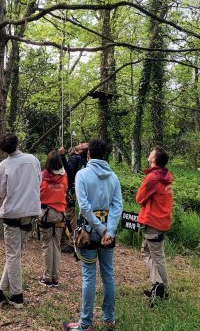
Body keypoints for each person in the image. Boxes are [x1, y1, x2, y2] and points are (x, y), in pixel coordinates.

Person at [63, 139, 123, 331]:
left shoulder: (82, 175)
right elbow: (117, 205)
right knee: (108, 275)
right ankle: (108, 319)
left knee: (89, 277)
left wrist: (101, 229)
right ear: (104, 154)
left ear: (88, 154)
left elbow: (85, 206)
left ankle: (85, 323)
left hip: (89, 232)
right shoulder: (113, 177)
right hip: (107, 232)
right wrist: (109, 230)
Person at [0, 133, 41, 309]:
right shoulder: (32, 160)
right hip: (29, 211)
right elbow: (38, 181)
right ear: (17, 143)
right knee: (16, 254)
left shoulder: (4, 165)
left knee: (13, 254)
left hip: (12, 212)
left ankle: (17, 295)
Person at [135, 145, 173, 304]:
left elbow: (139, 198)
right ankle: (158, 286)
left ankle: (161, 287)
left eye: (151, 153)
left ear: (154, 159)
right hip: (161, 220)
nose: (149, 154)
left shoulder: (152, 178)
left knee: (154, 256)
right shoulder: (165, 176)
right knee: (151, 253)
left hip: (153, 221)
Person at [38, 150, 68, 287]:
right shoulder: (64, 176)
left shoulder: (42, 177)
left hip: (46, 214)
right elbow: (65, 190)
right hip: (60, 213)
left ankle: (47, 277)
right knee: (56, 244)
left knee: (47, 244)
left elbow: (38, 193)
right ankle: (55, 277)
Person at [59, 143, 88, 252]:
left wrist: (62, 156)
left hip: (70, 190)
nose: (79, 144)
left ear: (80, 151)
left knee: (69, 215)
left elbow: (69, 172)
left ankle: (73, 242)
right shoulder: (80, 159)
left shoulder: (76, 159)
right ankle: (68, 239)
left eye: (82, 145)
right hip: (73, 189)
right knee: (68, 213)